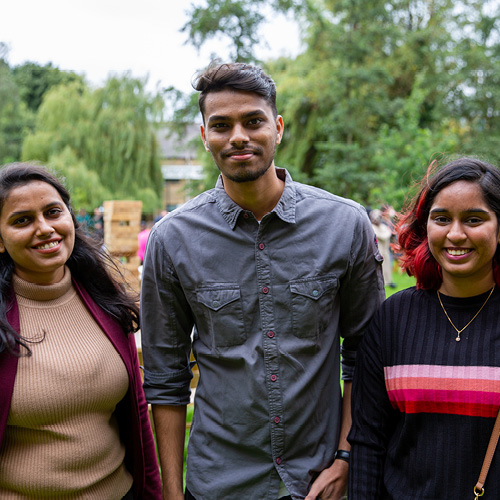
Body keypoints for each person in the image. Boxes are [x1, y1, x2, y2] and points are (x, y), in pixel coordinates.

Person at [140, 61, 385, 500]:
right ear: (204, 136)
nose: (238, 136)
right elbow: (165, 377)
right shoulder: (172, 239)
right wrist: (173, 495)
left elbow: (366, 355)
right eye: (221, 125)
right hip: (219, 483)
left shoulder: (345, 225)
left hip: (320, 480)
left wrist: (347, 457)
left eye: (253, 121)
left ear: (277, 127)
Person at [0, 163, 161, 499]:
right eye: (22, 220)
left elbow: (137, 413)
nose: (45, 228)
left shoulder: (106, 301)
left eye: (53, 212)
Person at [348, 157, 500, 499]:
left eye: (474, 219)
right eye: (442, 219)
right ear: (424, 227)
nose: (455, 234)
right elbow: (368, 442)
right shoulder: (392, 319)